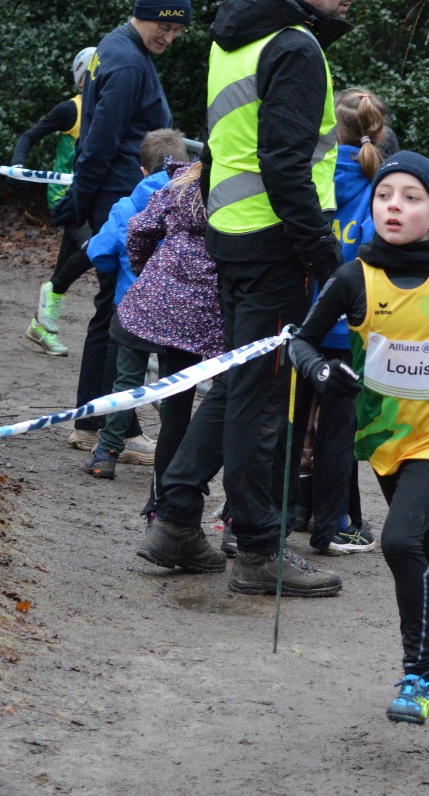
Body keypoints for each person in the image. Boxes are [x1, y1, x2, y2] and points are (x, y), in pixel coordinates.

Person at [136, 0, 353, 597]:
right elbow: (285, 165)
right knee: (260, 401)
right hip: (275, 244)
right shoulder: (293, 46)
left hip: (230, 234)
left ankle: (177, 519)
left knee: (237, 382)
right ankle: (258, 549)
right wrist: (328, 264)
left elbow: (222, 148)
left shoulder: (231, 40)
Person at [291, 151, 429, 725]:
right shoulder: (352, 276)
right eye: (385, 196)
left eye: (411, 197)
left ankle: (418, 677)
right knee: (427, 543)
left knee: (399, 540)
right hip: (383, 436)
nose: (393, 206)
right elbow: (301, 342)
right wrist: (321, 372)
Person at [51, 0, 188, 454]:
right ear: (145, 14)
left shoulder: (115, 46)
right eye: (164, 27)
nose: (169, 38)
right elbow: (100, 140)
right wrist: (80, 203)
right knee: (124, 319)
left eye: (177, 31)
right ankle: (120, 432)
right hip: (126, 199)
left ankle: (90, 422)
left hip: (116, 196)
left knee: (109, 314)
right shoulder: (129, 62)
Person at [292, 86, 399, 555]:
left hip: (303, 321)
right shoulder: (382, 185)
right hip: (353, 326)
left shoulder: (309, 173)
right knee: (339, 431)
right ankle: (334, 524)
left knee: (296, 422)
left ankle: (293, 510)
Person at [113, 156, 226, 513]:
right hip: (219, 308)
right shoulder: (242, 186)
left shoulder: (181, 181)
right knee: (229, 403)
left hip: (169, 305)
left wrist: (148, 270)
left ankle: (159, 499)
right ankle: (191, 492)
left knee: (175, 409)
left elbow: (140, 228)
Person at [81, 129, 190, 479]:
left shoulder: (127, 205)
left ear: (142, 169)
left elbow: (99, 252)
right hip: (178, 309)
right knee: (177, 384)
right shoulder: (191, 204)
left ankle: (106, 453)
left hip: (133, 308)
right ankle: (175, 461)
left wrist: (119, 272)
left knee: (125, 381)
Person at [13, 46, 97, 357]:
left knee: (69, 262)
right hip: (66, 198)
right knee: (95, 249)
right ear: (81, 81)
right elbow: (29, 136)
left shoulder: (110, 111)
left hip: (93, 199)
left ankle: (41, 326)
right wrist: (19, 165)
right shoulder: (70, 110)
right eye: (95, 73)